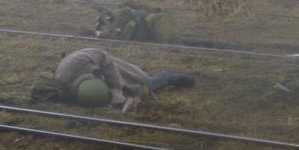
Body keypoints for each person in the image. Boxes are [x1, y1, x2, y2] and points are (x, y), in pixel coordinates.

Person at [31, 47, 194, 111]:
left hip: (109, 65)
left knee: (146, 83)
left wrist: (119, 89)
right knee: (133, 87)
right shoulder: (67, 86)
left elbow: (101, 57)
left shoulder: (70, 73)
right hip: (101, 69)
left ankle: (170, 76)